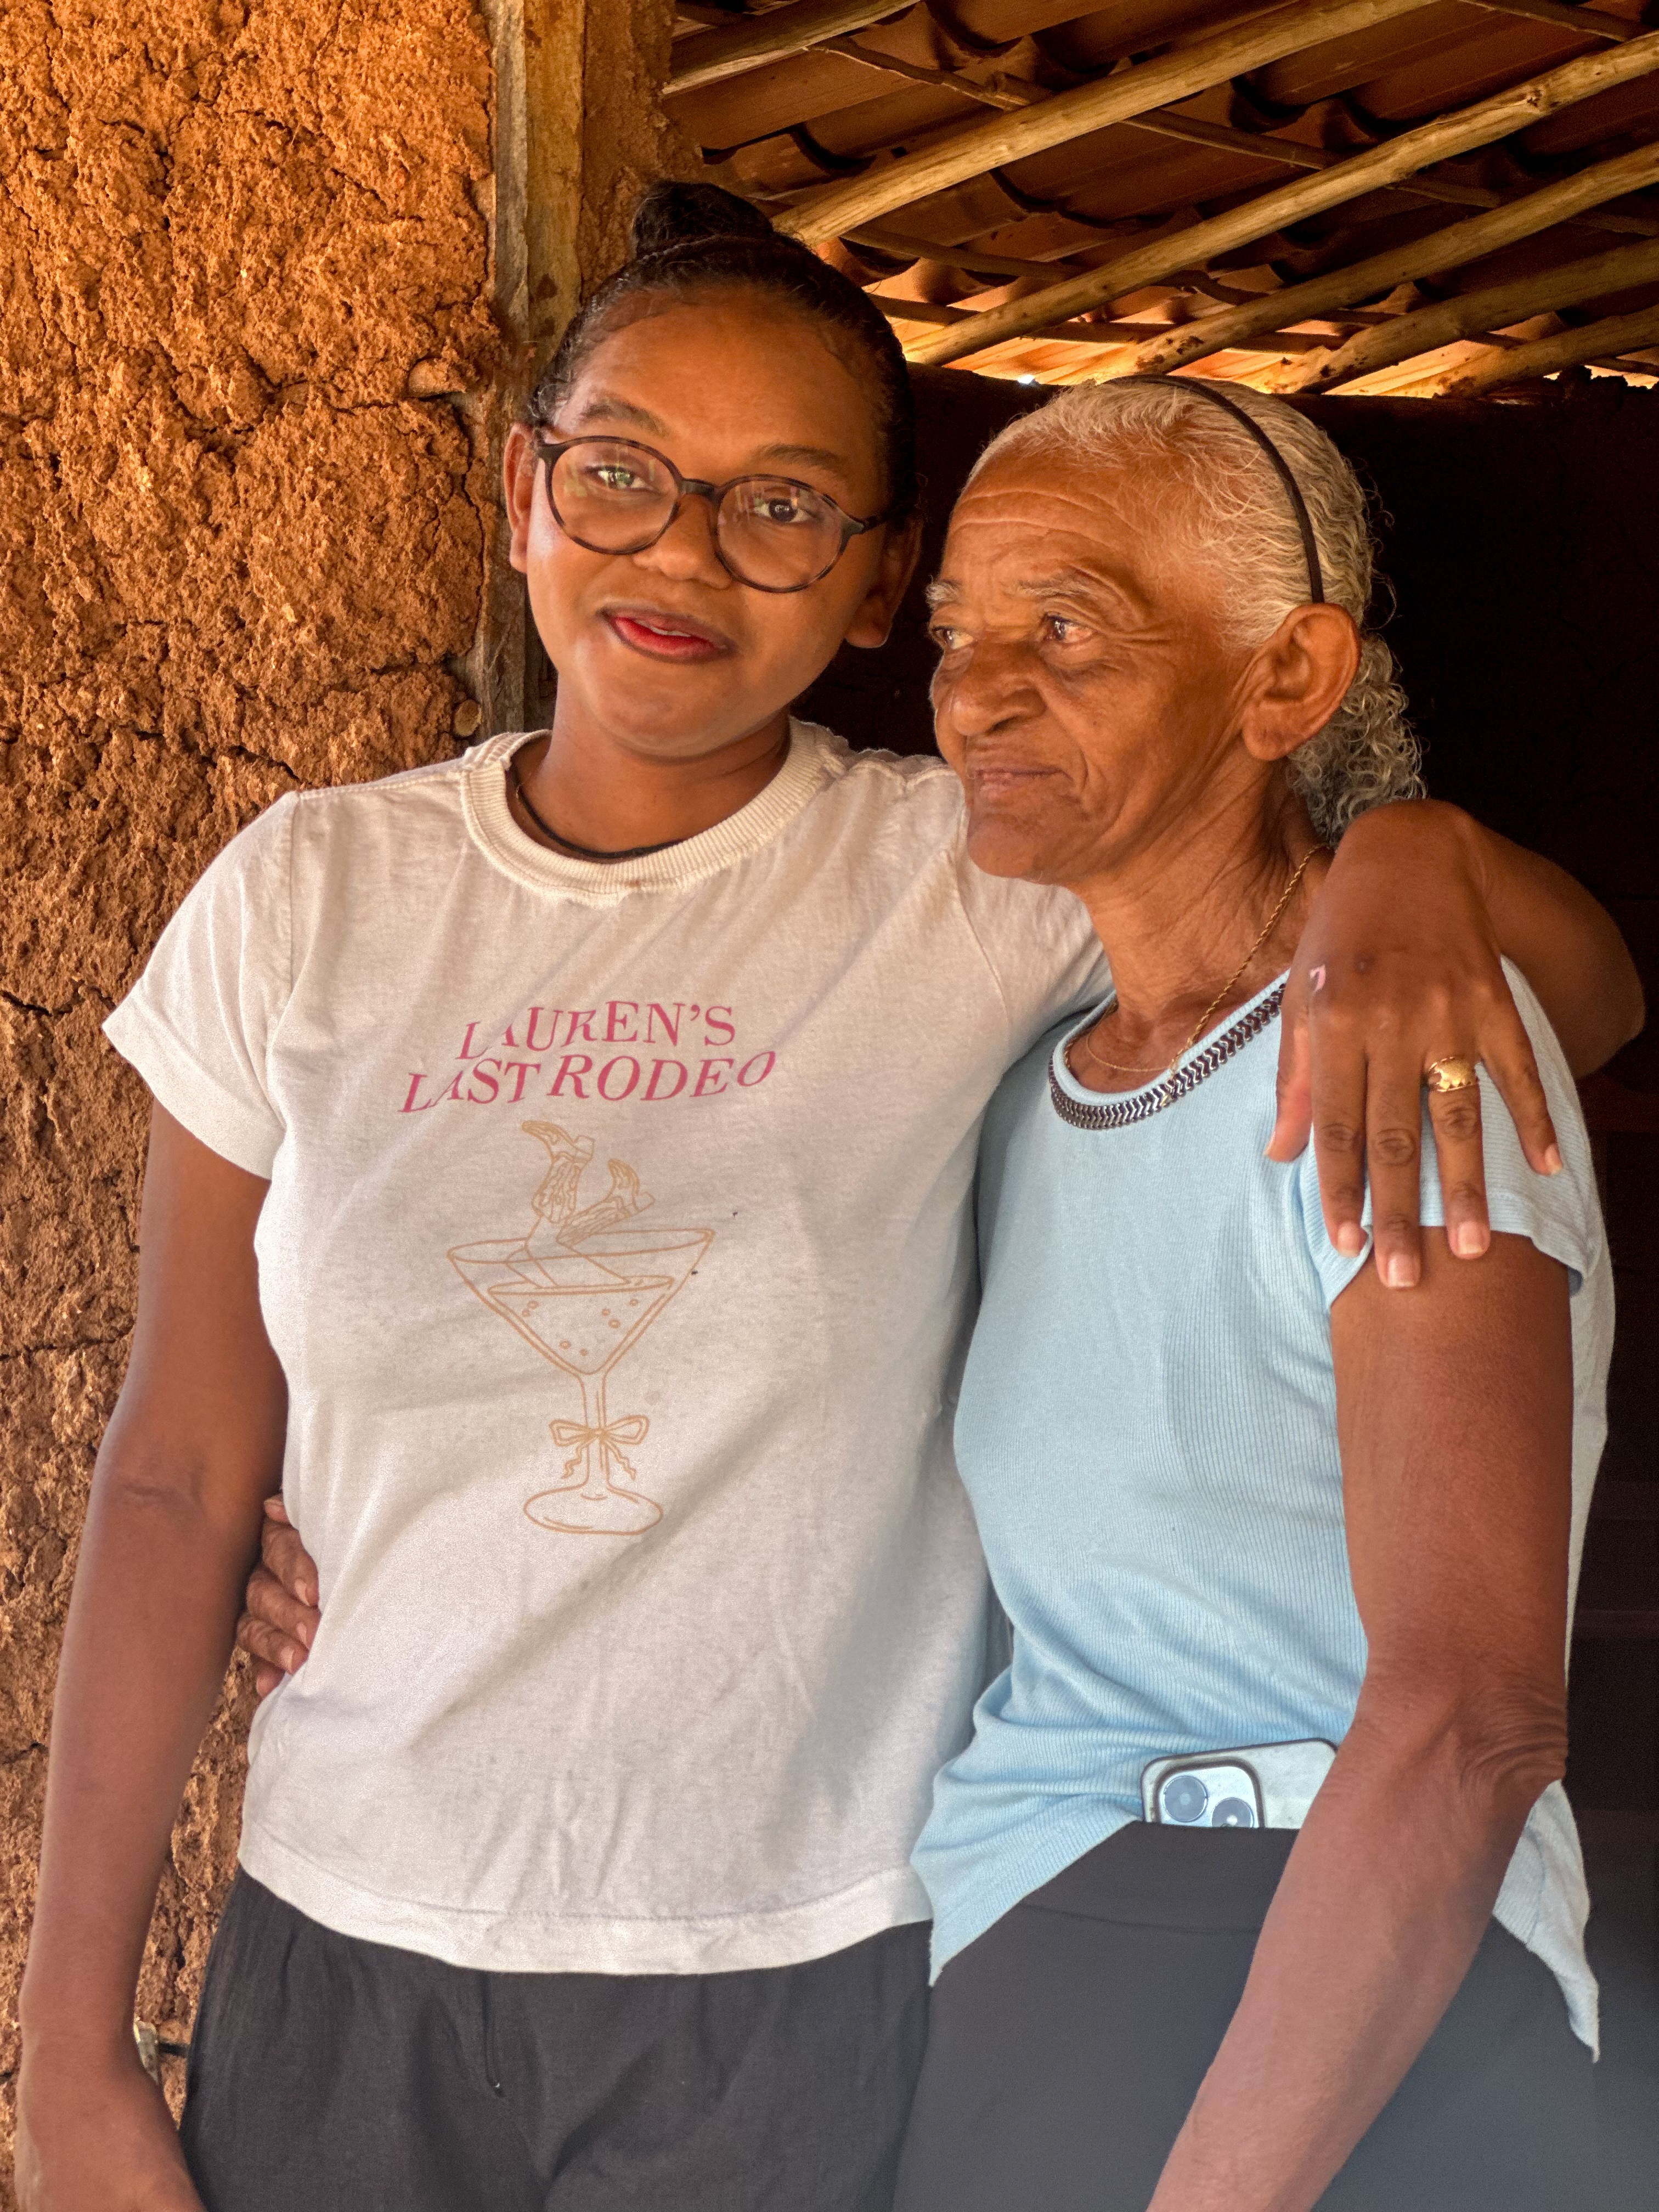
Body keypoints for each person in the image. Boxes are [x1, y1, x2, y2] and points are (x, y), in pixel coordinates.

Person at [15, 186, 1640, 2212]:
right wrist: (67, 2046)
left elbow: (1560, 986)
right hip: (353, 1934)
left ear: (869, 580)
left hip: (797, 1965)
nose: (681, 551)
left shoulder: (970, 878)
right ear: (523, 491)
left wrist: (1404, 854)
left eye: (781, 506)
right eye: (619, 472)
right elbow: (179, 1469)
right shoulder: (309, 894)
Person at [891, 380, 1618, 2212]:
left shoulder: (1403, 1057)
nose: (977, 694)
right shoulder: (1023, 1094)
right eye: (958, 634)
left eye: (1067, 629)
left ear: (1285, 678)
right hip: (1033, 1950)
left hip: (1337, 2002)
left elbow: (1468, 1721)